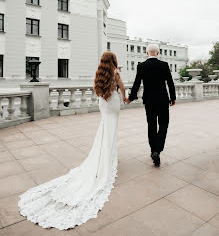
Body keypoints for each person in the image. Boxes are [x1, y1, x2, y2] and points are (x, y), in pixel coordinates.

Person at [18, 52, 127, 230]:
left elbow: (98, 88)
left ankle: (107, 155)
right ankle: (109, 158)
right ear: (114, 60)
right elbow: (122, 88)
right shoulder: (115, 72)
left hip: (103, 102)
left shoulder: (100, 71)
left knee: (104, 129)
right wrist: (125, 97)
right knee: (111, 130)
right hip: (113, 102)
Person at [125, 44, 176, 166]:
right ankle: (158, 150)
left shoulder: (141, 66)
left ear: (147, 53)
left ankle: (154, 150)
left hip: (149, 101)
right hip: (163, 100)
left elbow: (136, 84)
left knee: (151, 126)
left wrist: (130, 98)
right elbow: (170, 82)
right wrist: (173, 98)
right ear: (158, 53)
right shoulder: (164, 65)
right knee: (163, 125)